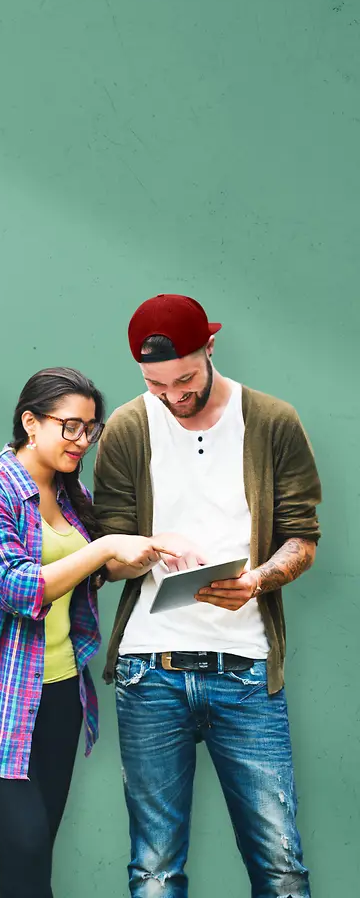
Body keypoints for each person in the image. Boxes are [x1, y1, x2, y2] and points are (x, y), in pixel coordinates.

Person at [94, 294, 322, 898]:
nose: (173, 395)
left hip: (246, 672)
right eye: (156, 383)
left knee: (280, 865)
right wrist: (144, 548)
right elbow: (106, 555)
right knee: (155, 869)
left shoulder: (272, 421)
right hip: (150, 670)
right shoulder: (126, 428)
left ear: (210, 349)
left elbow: (302, 536)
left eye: (186, 378)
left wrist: (255, 581)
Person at [0, 367, 173, 898]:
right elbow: (20, 589)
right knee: (26, 846)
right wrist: (107, 547)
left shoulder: (70, 493)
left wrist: (148, 553)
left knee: (34, 862)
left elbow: (91, 573)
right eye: (70, 427)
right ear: (30, 422)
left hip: (60, 694)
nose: (82, 441)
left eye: (90, 428)